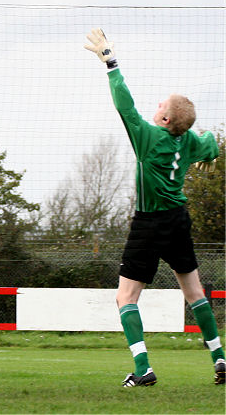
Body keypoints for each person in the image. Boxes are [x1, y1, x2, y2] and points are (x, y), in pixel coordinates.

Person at [84, 28, 224, 387]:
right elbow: (210, 144)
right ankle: (220, 360)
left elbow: (124, 107)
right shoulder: (190, 141)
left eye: (162, 104)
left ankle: (143, 368)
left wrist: (110, 63)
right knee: (194, 294)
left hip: (149, 224)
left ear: (164, 121)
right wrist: (211, 152)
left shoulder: (148, 138)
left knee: (126, 297)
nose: (157, 105)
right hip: (179, 221)